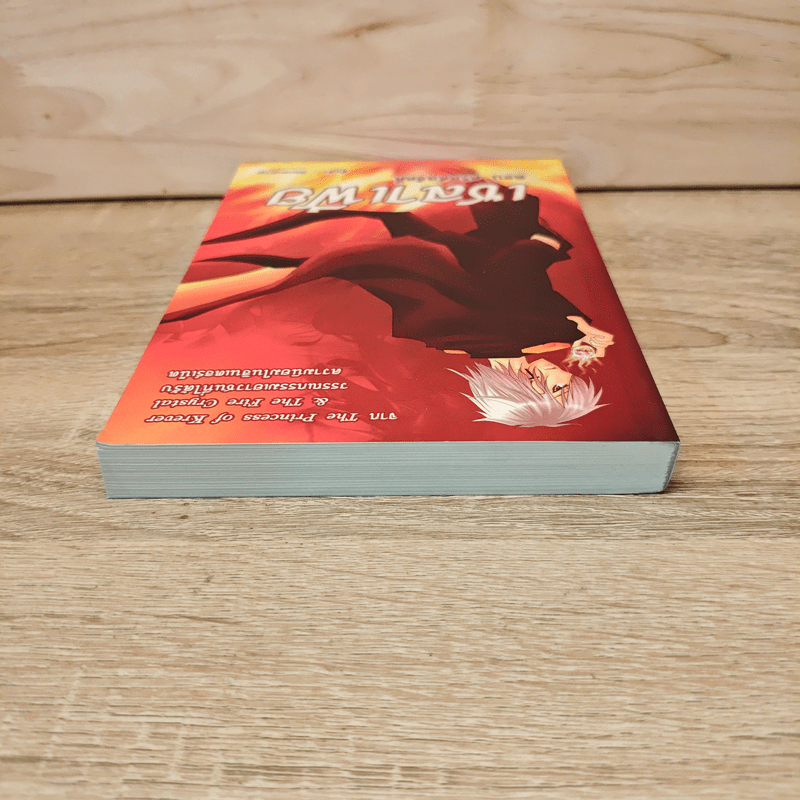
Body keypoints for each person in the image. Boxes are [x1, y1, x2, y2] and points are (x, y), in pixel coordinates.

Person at [162, 190, 614, 427]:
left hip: (426, 254)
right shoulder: (480, 341)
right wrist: (582, 330)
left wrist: (544, 245)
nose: (570, 378)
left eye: (562, 388)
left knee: (289, 265)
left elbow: (511, 276)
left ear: (532, 386)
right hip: (438, 249)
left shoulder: (500, 332)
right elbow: (520, 296)